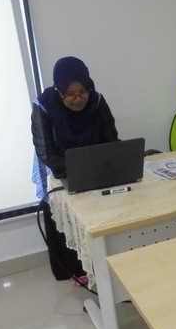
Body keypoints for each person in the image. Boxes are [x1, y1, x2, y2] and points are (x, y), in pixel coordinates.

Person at [31, 56, 119, 282]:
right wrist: (81, 168)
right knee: (68, 217)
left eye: (82, 92)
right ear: (58, 90)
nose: (78, 98)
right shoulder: (44, 106)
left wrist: (110, 161)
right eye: (70, 94)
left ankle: (104, 263)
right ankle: (75, 270)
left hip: (92, 164)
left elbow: (111, 138)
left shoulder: (97, 100)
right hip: (58, 167)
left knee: (99, 213)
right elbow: (46, 153)